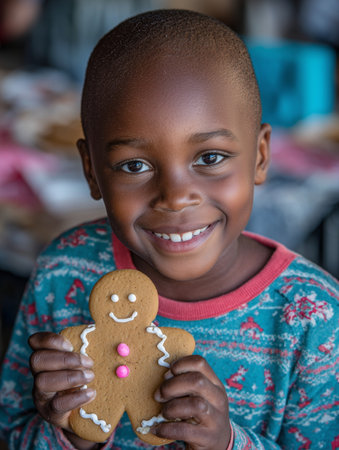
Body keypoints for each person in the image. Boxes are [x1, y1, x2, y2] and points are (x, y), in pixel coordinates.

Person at [0, 9, 338, 450]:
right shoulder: (64, 272)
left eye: (210, 158)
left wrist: (229, 442)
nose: (176, 197)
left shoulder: (313, 319)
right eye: (135, 165)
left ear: (259, 156)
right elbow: (12, 430)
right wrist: (66, 433)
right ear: (91, 170)